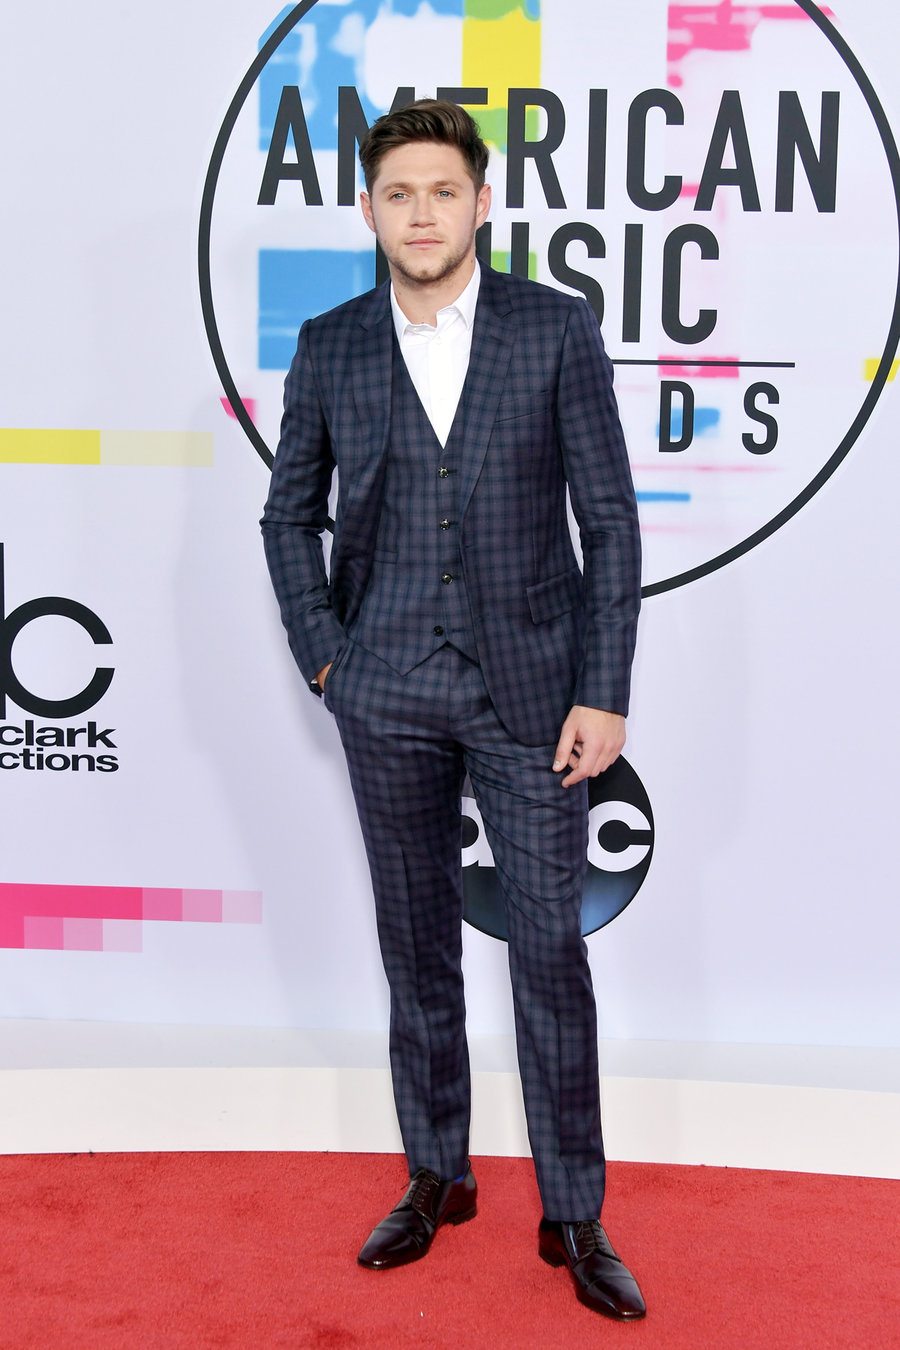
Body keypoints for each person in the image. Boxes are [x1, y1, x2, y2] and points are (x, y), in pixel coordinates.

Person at [261, 99, 645, 1321]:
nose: (420, 214)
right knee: (416, 946)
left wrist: (605, 690)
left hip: (533, 695)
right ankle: (438, 1175)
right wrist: (328, 658)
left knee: (548, 952)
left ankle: (574, 1214)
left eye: (442, 192)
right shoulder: (328, 345)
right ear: (369, 212)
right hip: (384, 693)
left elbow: (614, 525)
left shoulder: (554, 331)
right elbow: (289, 516)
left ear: (483, 205)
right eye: (398, 195)